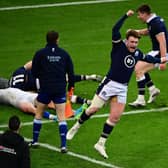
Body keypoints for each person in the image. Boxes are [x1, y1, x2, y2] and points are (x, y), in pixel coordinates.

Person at [66, 10, 167, 159]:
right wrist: (126, 16)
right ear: (126, 41)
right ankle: (77, 126)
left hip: (122, 88)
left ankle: (100, 144)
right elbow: (115, 29)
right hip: (109, 84)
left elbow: (149, 59)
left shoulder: (137, 53)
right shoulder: (118, 47)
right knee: (93, 109)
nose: (134, 45)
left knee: (115, 118)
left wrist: (161, 60)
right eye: (132, 42)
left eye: (136, 42)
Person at [30, 30, 75, 153]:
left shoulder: (40, 53)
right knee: (61, 117)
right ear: (57, 40)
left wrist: (44, 77)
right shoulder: (64, 54)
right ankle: (63, 146)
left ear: (46, 40)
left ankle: (34, 141)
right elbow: (71, 73)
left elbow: (33, 72)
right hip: (60, 89)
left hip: (45, 88)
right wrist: (71, 86)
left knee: (38, 113)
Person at [129, 4, 168, 107]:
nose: (138, 17)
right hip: (157, 52)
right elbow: (149, 31)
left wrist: (163, 61)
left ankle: (141, 100)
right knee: (137, 65)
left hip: (159, 53)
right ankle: (152, 89)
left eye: (139, 15)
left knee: (138, 69)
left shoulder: (155, 23)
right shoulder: (153, 21)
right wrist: (136, 31)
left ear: (145, 13)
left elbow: (162, 42)